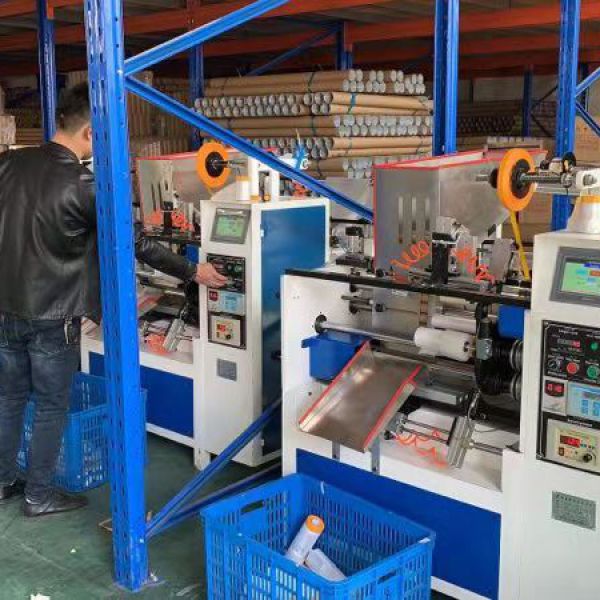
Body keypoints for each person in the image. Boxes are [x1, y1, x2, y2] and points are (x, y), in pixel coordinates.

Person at [0, 83, 226, 517]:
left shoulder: (8, 164)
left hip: (6, 308)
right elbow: (135, 242)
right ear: (89, 132)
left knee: (9, 398)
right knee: (50, 404)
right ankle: (39, 495)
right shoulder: (84, 184)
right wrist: (192, 271)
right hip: (54, 316)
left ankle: (4, 480)